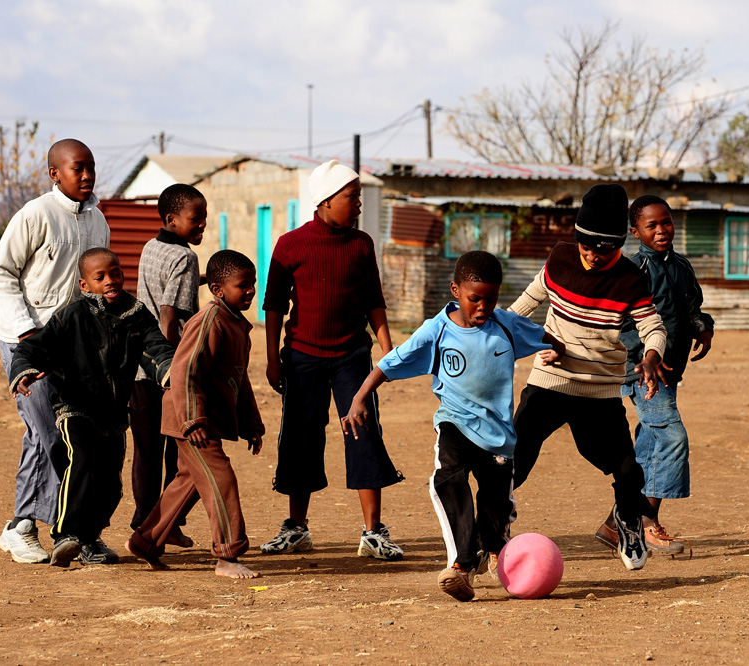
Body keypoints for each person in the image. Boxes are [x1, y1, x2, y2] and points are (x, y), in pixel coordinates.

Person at [342, 251, 562, 601]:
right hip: (455, 423)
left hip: (498, 438)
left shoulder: (507, 325)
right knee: (448, 479)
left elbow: (550, 340)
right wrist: (359, 398)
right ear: (456, 290)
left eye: (491, 299)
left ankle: (494, 541)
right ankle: (460, 566)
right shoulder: (437, 330)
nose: (483, 307)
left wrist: (554, 352)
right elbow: (391, 361)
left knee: (493, 513)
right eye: (475, 298)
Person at [509, 183, 667, 572]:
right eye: (587, 246)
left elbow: (654, 326)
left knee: (629, 470)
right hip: (549, 381)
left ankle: (627, 522)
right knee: (511, 463)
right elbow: (523, 307)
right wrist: (496, 336)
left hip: (599, 391)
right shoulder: (560, 259)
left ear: (618, 245)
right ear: (577, 238)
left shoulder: (630, 278)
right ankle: (489, 530)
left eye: (604, 249)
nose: (593, 256)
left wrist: (650, 355)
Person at [261, 159, 404, 561]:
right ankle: (296, 528)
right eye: (351, 196)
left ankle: (373, 532)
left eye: (358, 195)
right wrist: (273, 359)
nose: (358, 203)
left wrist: (387, 349)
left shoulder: (361, 245)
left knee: (363, 432)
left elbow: (373, 300)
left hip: (351, 358)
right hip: (302, 358)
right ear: (324, 201)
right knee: (300, 437)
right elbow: (273, 307)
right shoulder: (290, 245)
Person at [8, 249, 175, 567]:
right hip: (76, 407)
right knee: (82, 461)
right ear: (85, 285)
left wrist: (170, 374)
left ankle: (89, 539)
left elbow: (157, 348)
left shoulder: (137, 315)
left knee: (110, 484)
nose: (110, 281)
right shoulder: (72, 316)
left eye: (115, 273)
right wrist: (25, 368)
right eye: (100, 277)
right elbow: (35, 346)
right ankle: (66, 534)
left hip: (113, 414)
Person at [0, 138, 111, 564]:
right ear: (55, 173)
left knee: (56, 433)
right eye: (78, 168)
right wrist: (25, 332)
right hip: (27, 343)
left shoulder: (98, 220)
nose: (87, 175)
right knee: (50, 433)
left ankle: (42, 527)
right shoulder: (36, 214)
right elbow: (1, 271)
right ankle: (46, 527)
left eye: (91, 167)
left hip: (72, 349)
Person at [127, 250, 265, 579]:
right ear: (217, 289)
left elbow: (239, 380)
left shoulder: (236, 325)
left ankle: (146, 541)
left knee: (187, 483)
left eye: (253, 284)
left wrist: (252, 425)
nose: (250, 291)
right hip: (190, 421)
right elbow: (184, 370)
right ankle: (228, 556)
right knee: (221, 480)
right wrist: (193, 419)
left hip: (203, 421)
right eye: (242, 285)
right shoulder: (209, 319)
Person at [593, 195, 714, 556]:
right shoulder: (632, 271)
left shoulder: (681, 266)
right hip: (641, 372)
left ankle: (615, 526)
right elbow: (620, 322)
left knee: (648, 447)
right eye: (652, 225)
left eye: (667, 222)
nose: (662, 230)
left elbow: (692, 307)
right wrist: (646, 356)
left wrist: (703, 327)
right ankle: (646, 524)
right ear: (635, 231)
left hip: (671, 370)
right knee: (671, 438)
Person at [128, 183, 207, 547]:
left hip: (138, 365)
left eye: (204, 217)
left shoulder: (151, 245)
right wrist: (175, 368)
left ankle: (144, 518)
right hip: (164, 369)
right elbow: (168, 314)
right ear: (172, 219)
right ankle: (165, 522)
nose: (202, 224)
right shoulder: (186, 258)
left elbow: (157, 290)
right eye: (196, 218)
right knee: (178, 451)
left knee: (146, 450)